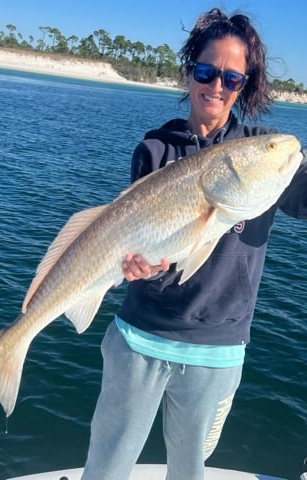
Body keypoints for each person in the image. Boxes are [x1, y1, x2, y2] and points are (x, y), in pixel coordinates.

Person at [82, 7, 307, 480]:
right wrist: (144, 266)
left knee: (190, 473)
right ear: (190, 72)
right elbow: (151, 250)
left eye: (231, 78)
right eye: (206, 72)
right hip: (141, 337)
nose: (217, 86)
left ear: (244, 85)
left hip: (218, 350)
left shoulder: (262, 149)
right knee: (106, 468)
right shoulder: (155, 149)